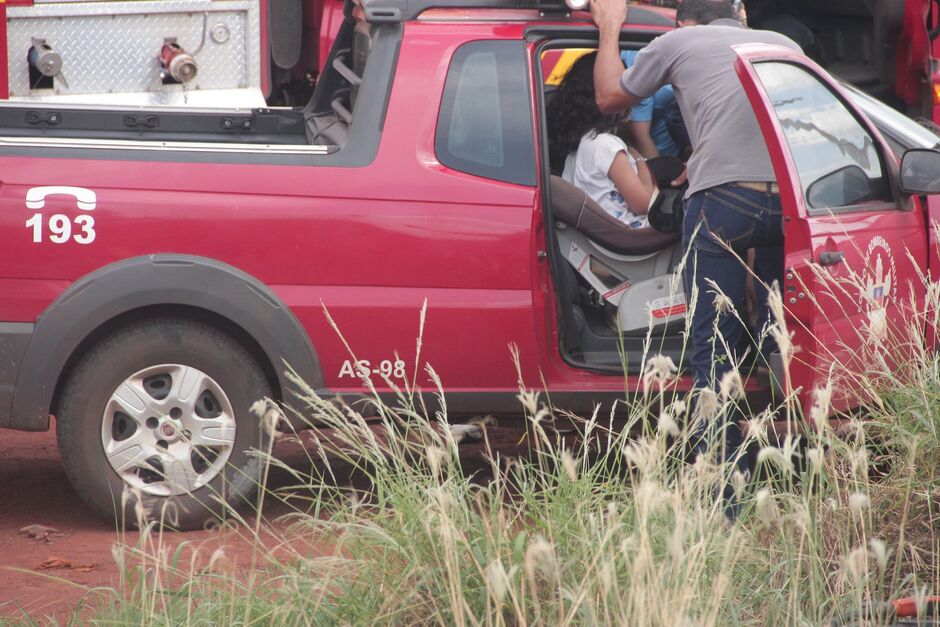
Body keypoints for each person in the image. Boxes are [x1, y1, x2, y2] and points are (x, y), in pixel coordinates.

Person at [589, 0, 802, 511]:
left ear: (683, 20)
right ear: (741, 15)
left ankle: (725, 499)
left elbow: (608, 96)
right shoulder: (786, 47)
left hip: (725, 202)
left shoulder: (678, 42)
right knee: (784, 333)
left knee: (714, 345)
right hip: (795, 201)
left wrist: (611, 26)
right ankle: (799, 469)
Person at [547, 52, 655, 229]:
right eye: (623, 88)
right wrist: (640, 160)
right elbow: (643, 204)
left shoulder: (583, 141)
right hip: (631, 238)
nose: (629, 95)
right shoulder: (607, 146)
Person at [620, 50, 687, 159]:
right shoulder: (636, 60)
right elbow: (639, 136)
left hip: (686, 155)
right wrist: (660, 174)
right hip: (649, 159)